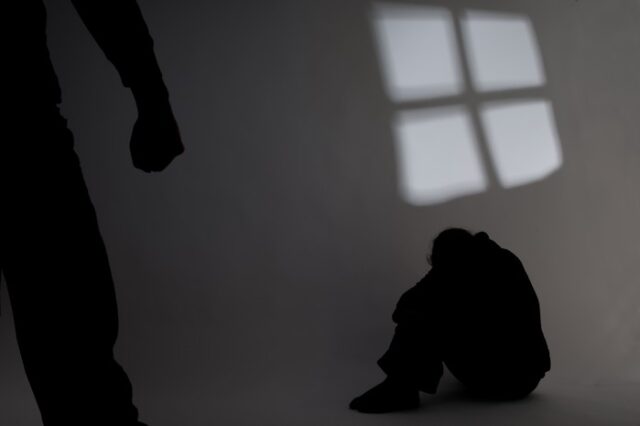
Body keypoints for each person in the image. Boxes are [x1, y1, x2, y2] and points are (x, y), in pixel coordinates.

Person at [0, 1, 183, 425]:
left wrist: (151, 95)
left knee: (77, 354)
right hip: (24, 131)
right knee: (76, 351)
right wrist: (151, 95)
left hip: (23, 128)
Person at [350, 228, 551, 413]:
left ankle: (401, 389)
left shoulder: (472, 272)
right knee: (426, 311)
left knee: (425, 317)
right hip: (525, 376)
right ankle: (400, 386)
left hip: (511, 380)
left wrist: (436, 283)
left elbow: (409, 309)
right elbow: (405, 305)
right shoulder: (496, 259)